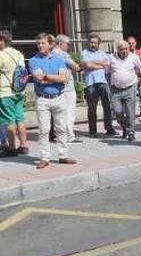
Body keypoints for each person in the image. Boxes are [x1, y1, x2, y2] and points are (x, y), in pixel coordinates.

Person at [30, 32, 75, 168]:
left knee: (61, 128)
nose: (40, 46)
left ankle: (63, 155)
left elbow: (64, 78)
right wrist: (54, 77)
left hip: (59, 97)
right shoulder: (33, 60)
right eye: (38, 43)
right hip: (43, 99)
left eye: (43, 43)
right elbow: (38, 78)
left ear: (50, 45)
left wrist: (46, 77)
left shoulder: (59, 59)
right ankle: (45, 157)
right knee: (44, 130)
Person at [80, 34, 117, 138]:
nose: (93, 44)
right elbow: (87, 65)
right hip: (91, 83)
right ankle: (93, 131)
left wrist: (93, 62)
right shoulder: (84, 53)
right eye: (91, 42)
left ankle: (109, 129)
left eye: (95, 43)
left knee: (108, 107)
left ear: (98, 44)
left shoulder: (103, 54)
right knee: (92, 108)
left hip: (103, 82)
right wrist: (100, 65)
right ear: (88, 42)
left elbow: (107, 64)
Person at [107, 38, 141, 142]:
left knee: (130, 111)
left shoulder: (134, 57)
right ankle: (125, 127)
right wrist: (111, 83)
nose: (124, 51)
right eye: (121, 49)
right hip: (115, 89)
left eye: (126, 49)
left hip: (130, 87)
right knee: (117, 111)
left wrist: (138, 81)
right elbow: (107, 72)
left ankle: (131, 132)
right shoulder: (111, 58)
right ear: (117, 50)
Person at [0, 30, 28, 156]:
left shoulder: (1, 55)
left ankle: (11, 148)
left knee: (9, 121)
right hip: (19, 91)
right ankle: (23, 145)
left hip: (5, 93)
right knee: (19, 119)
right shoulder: (18, 54)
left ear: (3, 41)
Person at [53, 35, 81, 143]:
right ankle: (69, 136)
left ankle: (58, 135)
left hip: (57, 87)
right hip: (67, 87)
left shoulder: (51, 53)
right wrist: (78, 66)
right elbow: (76, 67)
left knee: (59, 113)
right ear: (61, 43)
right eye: (68, 44)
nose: (69, 46)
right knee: (69, 112)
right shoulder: (62, 54)